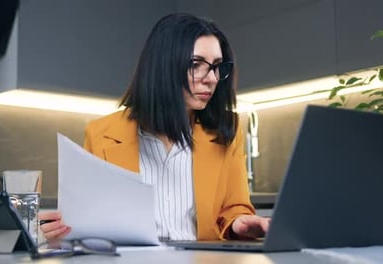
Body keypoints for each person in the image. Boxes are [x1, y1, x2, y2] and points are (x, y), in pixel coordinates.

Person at [39, 12, 270, 242]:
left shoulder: (226, 131)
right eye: (196, 64)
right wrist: (60, 230)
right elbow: (88, 221)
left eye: (217, 66)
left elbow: (234, 209)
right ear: (163, 66)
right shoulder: (101, 134)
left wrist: (238, 223)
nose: (211, 78)